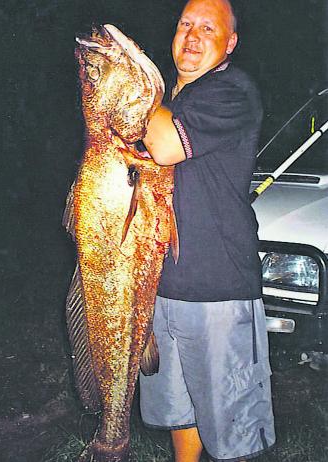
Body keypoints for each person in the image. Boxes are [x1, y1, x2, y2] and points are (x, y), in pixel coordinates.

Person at [139, 0, 276, 461]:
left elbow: (163, 145)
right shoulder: (172, 102)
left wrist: (130, 87)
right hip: (159, 288)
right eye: (185, 24)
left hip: (220, 290)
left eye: (208, 28)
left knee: (233, 431)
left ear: (230, 43)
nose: (192, 36)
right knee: (181, 411)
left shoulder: (231, 90)